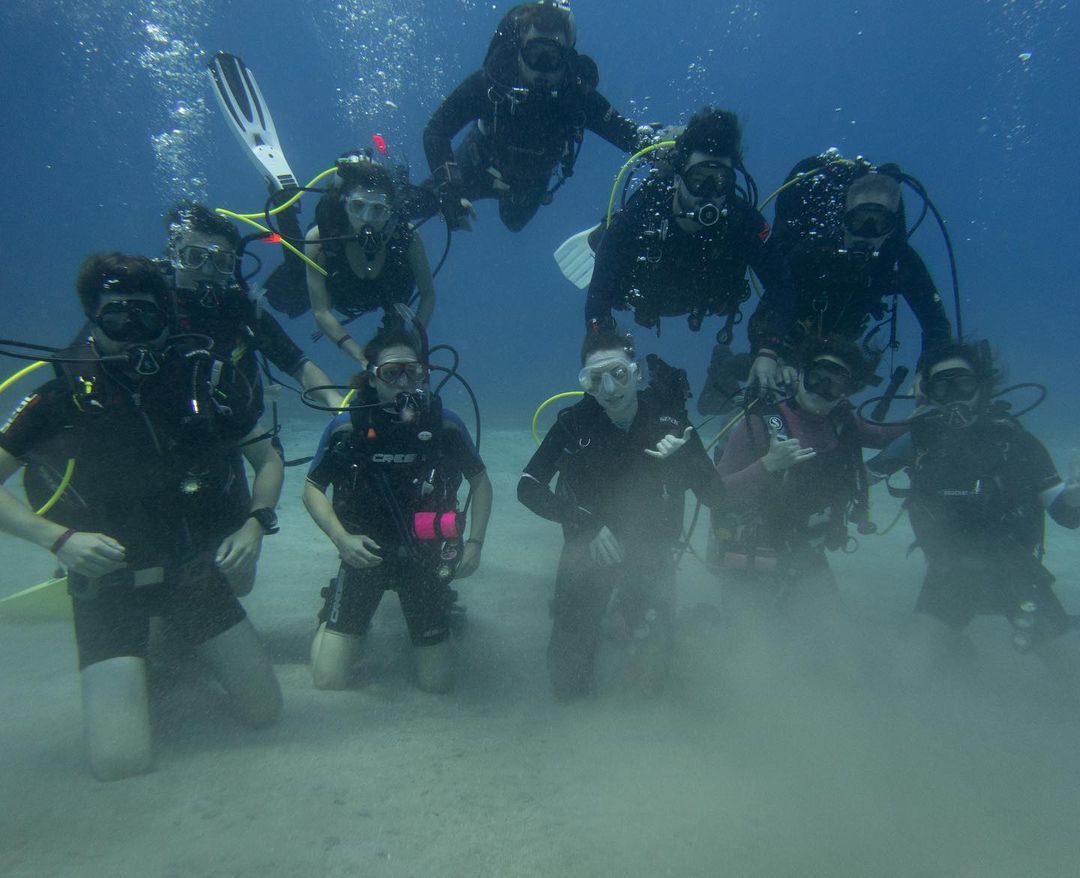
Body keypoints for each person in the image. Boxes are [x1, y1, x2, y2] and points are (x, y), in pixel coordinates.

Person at [0, 253, 283, 780]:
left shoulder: (202, 381)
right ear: (92, 318)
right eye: (116, 316)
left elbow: (267, 458)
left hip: (190, 572)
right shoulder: (60, 397)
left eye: (145, 316)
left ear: (165, 319)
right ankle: (144, 655)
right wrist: (58, 539)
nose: (131, 331)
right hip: (106, 586)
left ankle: (168, 644)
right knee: (119, 761)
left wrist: (255, 524)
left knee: (266, 712)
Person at [518, 326, 729, 698]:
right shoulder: (574, 424)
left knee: (648, 688)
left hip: (651, 550)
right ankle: (601, 620)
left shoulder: (669, 421)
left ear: (636, 372)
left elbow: (718, 497)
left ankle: (627, 618)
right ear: (586, 383)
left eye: (618, 374)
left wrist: (686, 460)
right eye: (595, 379)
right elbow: (528, 487)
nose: (609, 389)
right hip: (588, 549)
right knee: (567, 686)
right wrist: (586, 523)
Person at [868, 342, 1080, 669]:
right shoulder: (919, 441)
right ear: (928, 394)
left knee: (1070, 669)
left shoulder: (1016, 442)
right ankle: (956, 652)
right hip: (948, 577)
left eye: (963, 384)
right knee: (903, 672)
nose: (954, 396)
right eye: (942, 387)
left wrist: (1074, 498)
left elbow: (1066, 515)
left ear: (982, 388)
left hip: (1017, 574)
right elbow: (855, 480)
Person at [303, 325, 491, 693]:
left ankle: (440, 604)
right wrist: (341, 539)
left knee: (438, 683)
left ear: (424, 374)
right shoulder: (347, 427)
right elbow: (312, 487)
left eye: (413, 372)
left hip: (424, 556)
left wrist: (475, 544)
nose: (404, 383)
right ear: (372, 378)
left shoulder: (445, 425)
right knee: (328, 679)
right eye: (392, 373)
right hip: (364, 554)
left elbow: (481, 481)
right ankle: (334, 607)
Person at [584, 107, 798, 395]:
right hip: (643, 294)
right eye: (698, 180)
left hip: (703, 298)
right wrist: (604, 353)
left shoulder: (743, 220)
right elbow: (598, 294)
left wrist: (768, 350)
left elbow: (782, 285)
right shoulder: (644, 209)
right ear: (678, 176)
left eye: (720, 181)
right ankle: (599, 234)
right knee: (608, 244)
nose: (709, 193)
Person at [420, 0, 652, 232]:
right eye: (534, 54)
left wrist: (665, 147)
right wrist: (449, 189)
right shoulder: (491, 84)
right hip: (478, 163)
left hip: (529, 184)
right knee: (419, 202)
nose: (542, 68)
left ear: (566, 57)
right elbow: (436, 131)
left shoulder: (577, 95)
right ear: (519, 50)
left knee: (514, 222)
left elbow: (629, 135)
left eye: (551, 57)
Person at [713, 335, 904, 614]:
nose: (822, 390)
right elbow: (716, 494)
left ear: (846, 391)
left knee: (830, 634)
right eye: (817, 378)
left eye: (835, 384)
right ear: (801, 375)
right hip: (751, 553)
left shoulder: (844, 424)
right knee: (749, 637)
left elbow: (886, 436)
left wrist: (930, 414)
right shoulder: (759, 424)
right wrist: (767, 465)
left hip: (806, 553)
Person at [746, 158, 952, 392]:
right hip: (790, 337)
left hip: (841, 346)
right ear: (844, 217)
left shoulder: (897, 258)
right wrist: (769, 352)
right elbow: (773, 302)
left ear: (892, 228)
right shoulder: (812, 251)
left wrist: (931, 369)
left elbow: (935, 320)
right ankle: (728, 365)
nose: (867, 232)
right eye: (859, 220)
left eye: (880, 223)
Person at [166, 202, 342, 409]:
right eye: (195, 258)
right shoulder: (151, 304)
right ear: (174, 256)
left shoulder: (239, 309)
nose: (206, 270)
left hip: (233, 424)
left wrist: (337, 404)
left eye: (221, 261)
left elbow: (298, 365)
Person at [305, 152, 437, 367]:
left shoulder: (407, 237)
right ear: (344, 203)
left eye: (378, 209)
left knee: (395, 332)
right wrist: (360, 357)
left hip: (389, 297)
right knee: (286, 298)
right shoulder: (319, 240)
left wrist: (413, 344)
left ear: (390, 211)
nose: (366, 218)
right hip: (340, 294)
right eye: (358, 206)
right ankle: (284, 207)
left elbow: (428, 294)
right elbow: (321, 311)